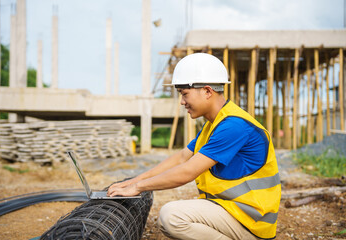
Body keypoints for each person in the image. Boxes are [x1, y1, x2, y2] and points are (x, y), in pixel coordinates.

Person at [108, 53, 281, 240]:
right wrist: (134, 181)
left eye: (184, 94)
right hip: (234, 212)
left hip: (250, 221)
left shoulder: (234, 126)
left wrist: (138, 187)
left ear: (207, 91)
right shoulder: (215, 124)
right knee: (173, 216)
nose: (182, 102)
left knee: (172, 217)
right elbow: (182, 158)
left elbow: (187, 171)